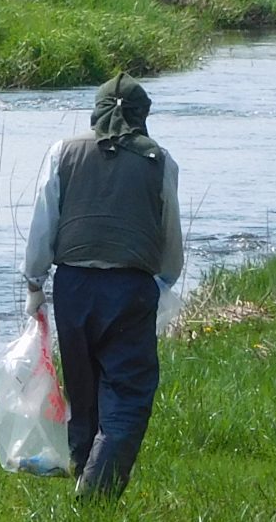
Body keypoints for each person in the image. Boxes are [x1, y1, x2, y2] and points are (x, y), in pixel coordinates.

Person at [22, 74, 184, 499]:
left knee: (84, 386)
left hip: (73, 288)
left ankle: (82, 470)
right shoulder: (160, 162)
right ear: (142, 116)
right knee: (128, 392)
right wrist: (164, 283)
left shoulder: (63, 153)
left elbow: (44, 225)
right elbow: (171, 238)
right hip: (130, 288)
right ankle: (96, 490)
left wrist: (34, 284)